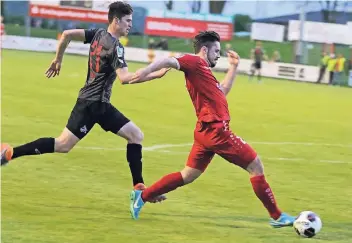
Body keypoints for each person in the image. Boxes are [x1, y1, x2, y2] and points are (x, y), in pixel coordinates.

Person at [1, 1, 168, 202]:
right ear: (116, 20)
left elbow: (67, 35)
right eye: (127, 21)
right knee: (135, 136)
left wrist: (58, 59)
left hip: (89, 102)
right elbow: (124, 78)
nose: (130, 25)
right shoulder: (116, 47)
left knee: (65, 144)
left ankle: (10, 152)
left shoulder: (97, 34)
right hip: (97, 105)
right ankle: (139, 190)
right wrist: (153, 74)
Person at [128, 31, 296, 227]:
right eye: (216, 51)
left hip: (205, 131)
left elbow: (222, 90)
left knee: (188, 175)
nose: (218, 55)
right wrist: (146, 71)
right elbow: (169, 60)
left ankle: (142, 196)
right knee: (255, 166)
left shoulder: (204, 73)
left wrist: (233, 67)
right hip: (216, 131)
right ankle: (276, 216)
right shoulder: (195, 62)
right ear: (205, 49)